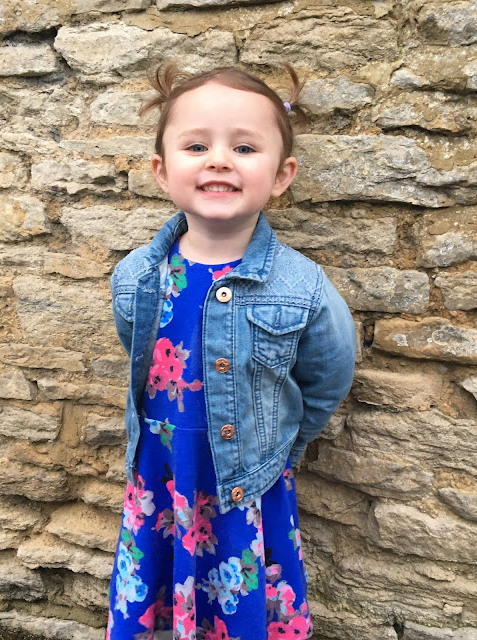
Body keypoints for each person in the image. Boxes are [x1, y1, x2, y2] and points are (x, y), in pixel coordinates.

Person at [106, 62, 356, 640]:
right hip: (162, 476)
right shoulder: (137, 278)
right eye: (197, 146)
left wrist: (279, 445)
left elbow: (328, 376)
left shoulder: (301, 287)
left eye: (244, 147)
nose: (219, 160)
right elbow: (138, 354)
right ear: (162, 170)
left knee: (239, 610)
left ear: (282, 174)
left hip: (247, 484)